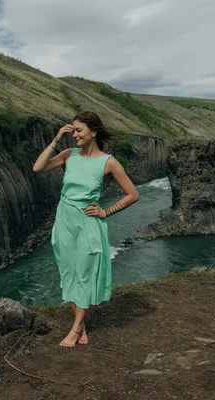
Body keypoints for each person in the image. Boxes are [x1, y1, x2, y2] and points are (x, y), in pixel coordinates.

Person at [32, 111, 139, 347]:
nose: (74, 135)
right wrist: (57, 139)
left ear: (93, 132)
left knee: (85, 272)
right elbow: (38, 168)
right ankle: (82, 328)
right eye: (73, 130)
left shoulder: (108, 162)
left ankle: (76, 327)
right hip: (65, 220)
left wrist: (106, 211)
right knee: (69, 271)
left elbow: (133, 195)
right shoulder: (69, 155)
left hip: (88, 221)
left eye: (79, 131)